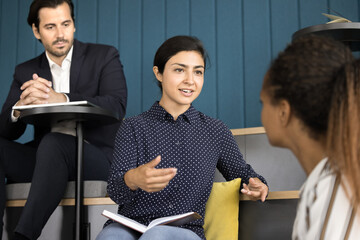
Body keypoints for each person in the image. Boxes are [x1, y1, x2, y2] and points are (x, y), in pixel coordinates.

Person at [96, 35, 268, 240]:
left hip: (185, 233)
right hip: (129, 226)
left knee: (157, 236)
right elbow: (116, 192)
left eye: (198, 72)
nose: (190, 80)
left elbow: (242, 175)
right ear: (158, 73)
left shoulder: (216, 130)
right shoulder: (133, 127)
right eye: (179, 70)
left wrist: (258, 185)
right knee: (111, 237)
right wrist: (133, 179)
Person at [0, 0, 127, 239]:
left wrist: (62, 98)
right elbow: (5, 132)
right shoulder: (25, 71)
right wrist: (19, 108)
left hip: (95, 156)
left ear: (74, 25)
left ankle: (23, 236)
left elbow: (117, 105)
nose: (60, 34)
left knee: (54, 142)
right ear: (36, 30)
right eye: (50, 27)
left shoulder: (104, 55)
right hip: (47, 161)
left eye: (66, 24)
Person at [260, 35, 360, 239]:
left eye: (262, 103)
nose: (261, 113)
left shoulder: (335, 190)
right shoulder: (329, 180)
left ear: (283, 112)